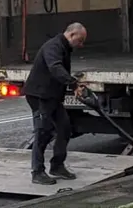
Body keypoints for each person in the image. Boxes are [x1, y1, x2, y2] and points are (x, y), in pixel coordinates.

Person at [23, 23, 87, 185]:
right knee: (43, 132)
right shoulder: (53, 47)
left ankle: (57, 166)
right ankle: (37, 172)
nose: (81, 45)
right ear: (71, 35)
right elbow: (55, 67)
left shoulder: (64, 47)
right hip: (39, 96)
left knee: (64, 128)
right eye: (80, 40)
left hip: (52, 97)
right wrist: (73, 83)